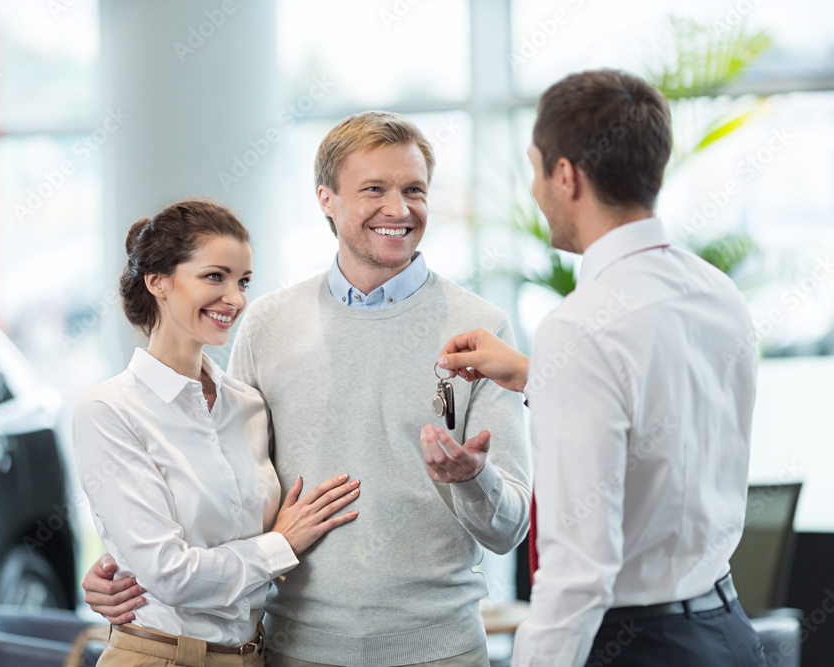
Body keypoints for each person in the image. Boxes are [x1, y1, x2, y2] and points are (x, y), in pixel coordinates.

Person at [82, 112, 532, 666]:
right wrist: (130, 562)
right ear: (326, 199)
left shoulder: (482, 330)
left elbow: (509, 529)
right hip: (297, 652)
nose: (399, 209)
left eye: (414, 190)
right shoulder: (267, 325)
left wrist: (473, 479)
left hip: (440, 651)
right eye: (374, 189)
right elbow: (225, 490)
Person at [438, 70, 764, 666]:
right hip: (728, 632)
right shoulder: (716, 293)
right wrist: (539, 374)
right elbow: (667, 410)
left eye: (535, 168)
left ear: (566, 176)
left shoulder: (581, 326)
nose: (534, 189)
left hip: (637, 647)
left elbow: (578, 572)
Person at [73, 198, 361, 667]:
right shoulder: (109, 410)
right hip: (159, 656)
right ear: (158, 281)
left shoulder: (247, 405)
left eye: (243, 281)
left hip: (252, 656)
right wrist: (281, 545)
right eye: (215, 276)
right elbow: (169, 575)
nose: (236, 298)